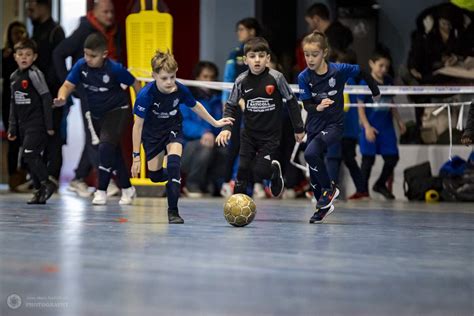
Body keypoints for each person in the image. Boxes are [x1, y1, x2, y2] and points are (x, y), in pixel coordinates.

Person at [131, 51, 233, 224]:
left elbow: (196, 106)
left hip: (173, 128)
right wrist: (135, 157)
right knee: (154, 176)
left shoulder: (180, 89)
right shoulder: (145, 95)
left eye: (172, 76)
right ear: (154, 75)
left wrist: (216, 123)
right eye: (164, 78)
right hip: (152, 135)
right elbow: (137, 126)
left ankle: (173, 212)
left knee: (173, 166)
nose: (170, 82)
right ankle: (171, 178)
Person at [298, 32, 380, 223]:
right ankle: (322, 208)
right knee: (314, 177)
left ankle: (330, 189)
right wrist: (316, 107)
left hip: (334, 125)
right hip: (314, 127)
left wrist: (375, 91)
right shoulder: (303, 77)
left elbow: (362, 72)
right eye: (306, 54)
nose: (310, 59)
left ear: (324, 53)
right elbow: (307, 104)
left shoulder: (339, 70)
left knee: (310, 153)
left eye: (314, 54)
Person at [53, 33, 141, 205]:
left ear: (104, 55)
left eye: (92, 56)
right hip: (96, 115)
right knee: (113, 152)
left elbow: (135, 83)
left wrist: (140, 107)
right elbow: (67, 85)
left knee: (105, 147)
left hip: (117, 111)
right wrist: (62, 97)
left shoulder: (115, 69)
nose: (88, 59)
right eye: (85, 54)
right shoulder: (81, 66)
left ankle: (101, 190)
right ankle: (128, 189)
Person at [216, 37, 305, 199]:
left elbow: (292, 101)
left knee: (259, 170)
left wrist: (299, 128)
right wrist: (226, 128)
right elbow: (230, 105)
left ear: (268, 58)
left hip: (271, 136)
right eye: (252, 56)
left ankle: (273, 172)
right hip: (248, 134)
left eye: (261, 56)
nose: (257, 60)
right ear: (245, 60)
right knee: (242, 169)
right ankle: (237, 205)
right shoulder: (241, 80)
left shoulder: (277, 78)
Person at [53, 0, 121, 197]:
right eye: (105, 12)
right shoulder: (85, 30)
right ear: (95, 12)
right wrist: (69, 84)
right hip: (89, 90)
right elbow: (59, 53)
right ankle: (105, 181)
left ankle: (79, 178)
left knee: (99, 132)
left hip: (108, 91)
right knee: (96, 135)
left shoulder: (113, 32)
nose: (109, 16)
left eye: (112, 12)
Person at [7, 39, 56, 204]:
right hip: (23, 124)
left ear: (34, 57)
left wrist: (49, 125)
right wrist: (12, 128)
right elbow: (13, 104)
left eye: (28, 55)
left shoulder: (35, 74)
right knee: (29, 157)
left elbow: (46, 97)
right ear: (15, 56)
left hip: (37, 123)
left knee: (30, 154)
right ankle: (38, 191)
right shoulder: (14, 77)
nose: (24, 58)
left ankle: (47, 183)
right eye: (20, 54)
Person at [220, 17, 262, 197]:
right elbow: (228, 81)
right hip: (237, 108)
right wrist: (226, 104)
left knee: (257, 147)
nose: (239, 33)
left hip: (259, 108)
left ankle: (258, 184)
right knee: (234, 145)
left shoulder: (264, 53)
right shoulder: (234, 55)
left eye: (242, 29)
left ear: (252, 31)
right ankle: (225, 182)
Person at [358, 46, 406, 200]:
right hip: (369, 125)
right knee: (368, 160)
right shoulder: (364, 82)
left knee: (392, 158)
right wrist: (367, 127)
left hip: (386, 127)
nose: (384, 69)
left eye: (386, 66)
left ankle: (379, 184)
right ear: (372, 63)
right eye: (381, 65)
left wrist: (399, 120)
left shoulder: (389, 82)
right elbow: (360, 107)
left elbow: (391, 102)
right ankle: (363, 191)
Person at [26, 0, 66, 185]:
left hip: (51, 90)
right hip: (36, 91)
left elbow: (56, 63)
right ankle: (37, 176)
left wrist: (50, 89)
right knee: (37, 132)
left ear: (44, 7)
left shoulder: (55, 31)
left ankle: (52, 175)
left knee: (54, 132)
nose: (29, 12)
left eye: (32, 8)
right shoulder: (35, 29)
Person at [181, 61, 226, 197]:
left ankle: (213, 185)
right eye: (205, 77)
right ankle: (191, 185)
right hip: (185, 149)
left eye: (212, 77)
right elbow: (183, 123)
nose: (209, 81)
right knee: (205, 147)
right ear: (197, 78)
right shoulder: (187, 97)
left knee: (226, 149)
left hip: (211, 143)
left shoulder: (219, 99)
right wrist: (203, 132)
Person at [2, 21, 28, 191]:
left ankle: (25, 175)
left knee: (28, 139)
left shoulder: (28, 55)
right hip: (8, 102)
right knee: (13, 140)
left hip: (26, 102)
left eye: (21, 32)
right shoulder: (4, 55)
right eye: (15, 33)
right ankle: (13, 177)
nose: (18, 36)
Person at [295, 2, 353, 72]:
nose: (309, 26)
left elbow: (337, 58)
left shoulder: (333, 36)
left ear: (316, 19)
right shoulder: (339, 30)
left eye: (309, 22)